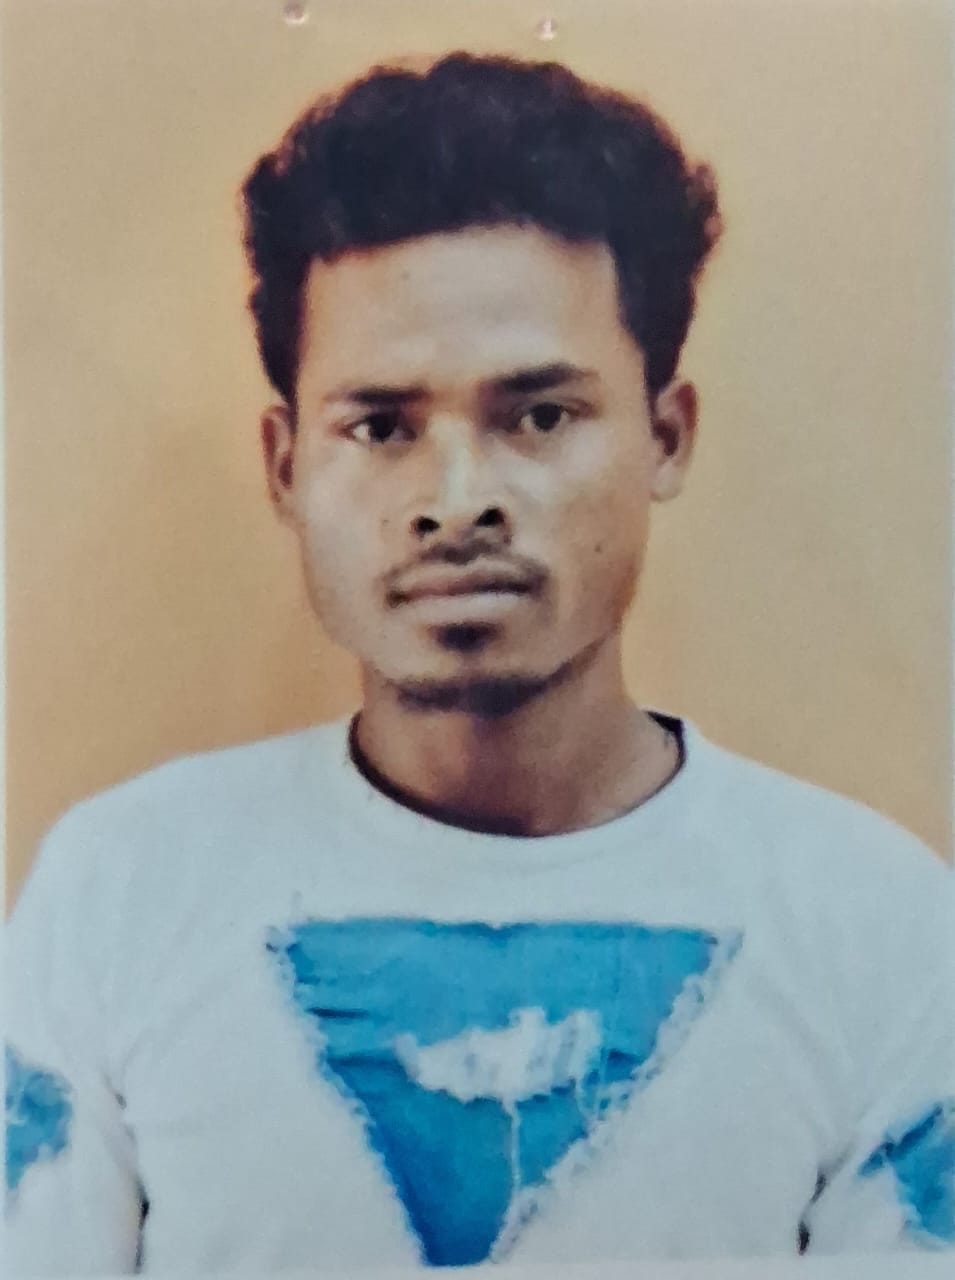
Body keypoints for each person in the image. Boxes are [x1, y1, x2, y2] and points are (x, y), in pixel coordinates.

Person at [5, 50, 953, 1276]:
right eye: (380, 425)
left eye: (539, 415)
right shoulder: (119, 891)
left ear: (665, 436)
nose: (456, 502)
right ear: (287, 466)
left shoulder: (876, 924)